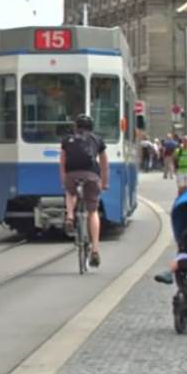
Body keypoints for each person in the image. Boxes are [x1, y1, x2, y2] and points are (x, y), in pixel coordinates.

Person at [59, 113, 108, 268]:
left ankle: (71, 216)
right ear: (91, 128)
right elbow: (105, 165)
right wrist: (104, 183)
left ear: (76, 127)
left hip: (72, 175)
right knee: (93, 212)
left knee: (70, 193)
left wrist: (64, 181)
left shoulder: (67, 140)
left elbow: (62, 163)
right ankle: (95, 250)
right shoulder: (98, 140)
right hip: (91, 176)